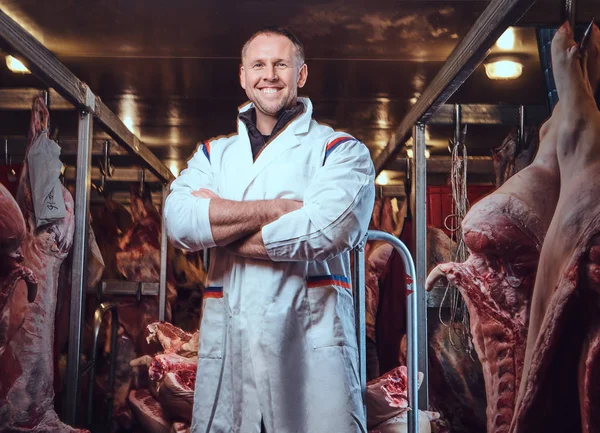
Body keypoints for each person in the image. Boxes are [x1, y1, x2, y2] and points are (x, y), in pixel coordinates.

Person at [164, 25, 375, 433]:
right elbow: (179, 223)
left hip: (309, 344)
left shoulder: (340, 150)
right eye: (258, 65)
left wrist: (222, 230)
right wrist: (278, 209)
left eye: (281, 64)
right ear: (242, 76)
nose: (270, 74)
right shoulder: (213, 154)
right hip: (230, 344)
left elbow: (326, 230)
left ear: (302, 74)